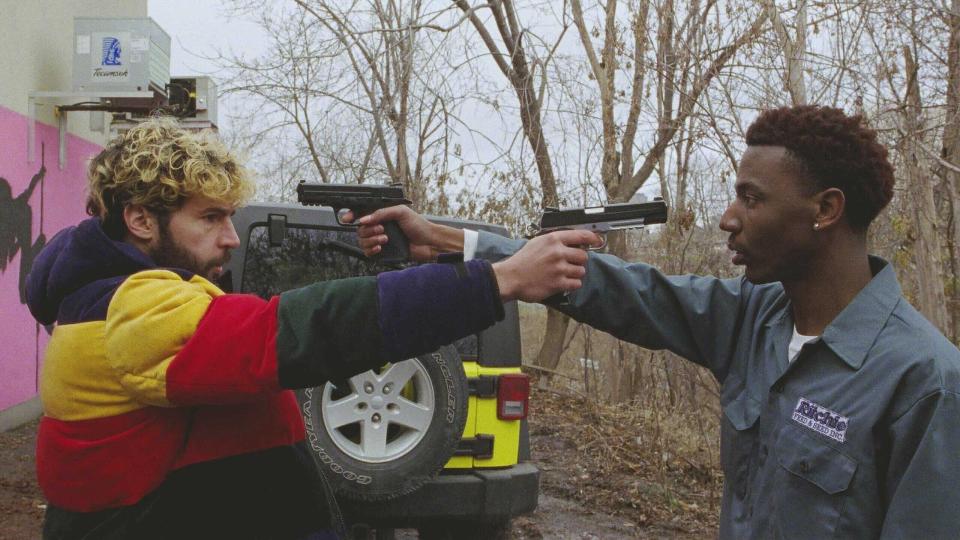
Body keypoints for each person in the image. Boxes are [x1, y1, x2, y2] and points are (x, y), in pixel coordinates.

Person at [357, 105, 960, 538]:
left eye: (751, 199)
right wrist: (443, 237)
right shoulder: (755, 319)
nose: (727, 219)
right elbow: (620, 288)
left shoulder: (924, 382)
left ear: (826, 209)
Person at [25, 116, 599, 540]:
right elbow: (305, 326)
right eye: (209, 217)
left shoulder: (117, 298)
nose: (229, 237)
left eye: (229, 216)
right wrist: (493, 281)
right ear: (141, 219)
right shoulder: (134, 311)